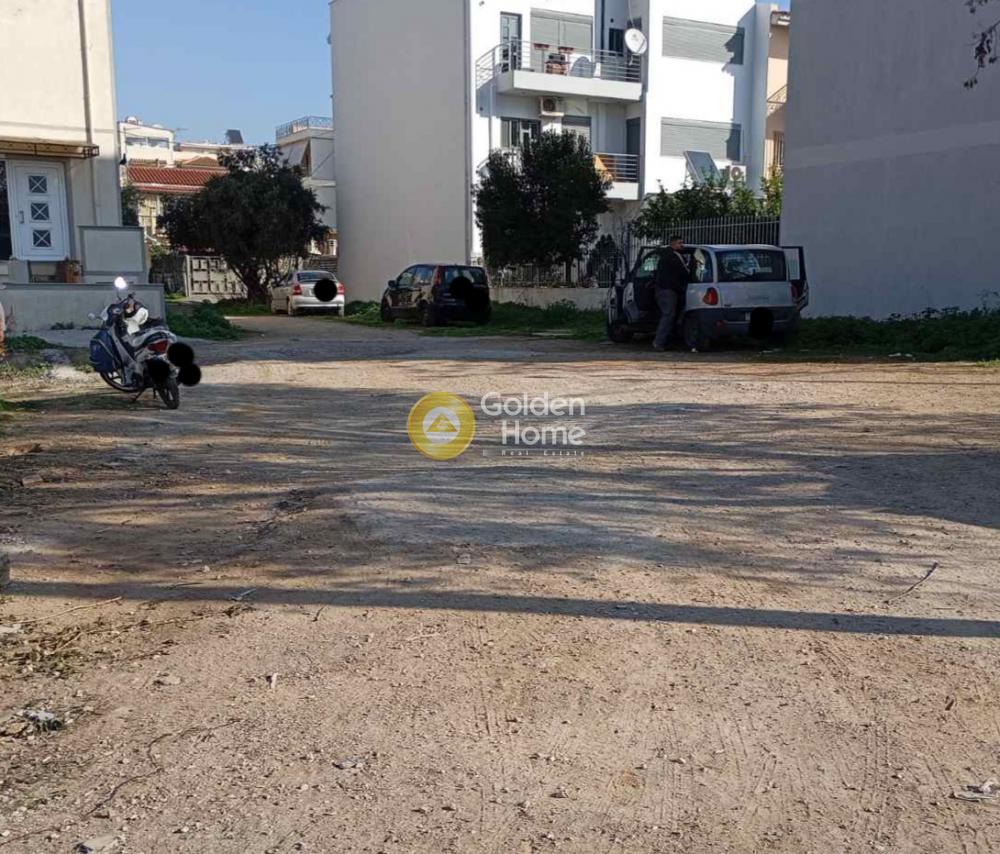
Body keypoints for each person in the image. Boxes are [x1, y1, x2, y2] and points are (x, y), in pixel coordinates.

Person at [652, 235, 690, 351]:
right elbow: (684, 272)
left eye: (682, 242)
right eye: (679, 243)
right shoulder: (673, 256)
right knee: (668, 316)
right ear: (673, 244)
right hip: (668, 290)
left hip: (666, 289)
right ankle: (659, 342)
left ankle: (665, 341)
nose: (682, 245)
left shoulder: (666, 255)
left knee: (669, 315)